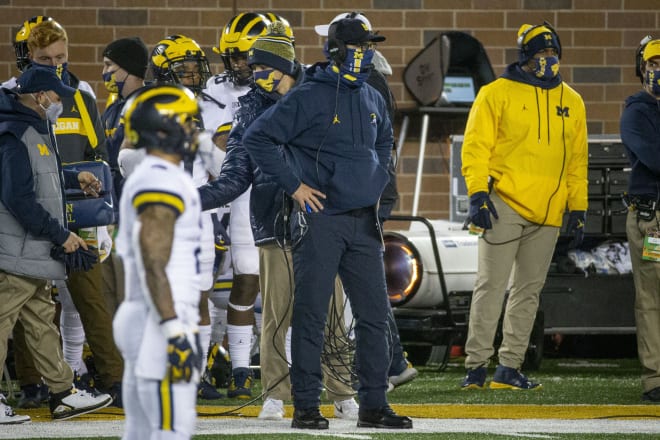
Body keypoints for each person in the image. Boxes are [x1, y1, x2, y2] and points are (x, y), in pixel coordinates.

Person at [242, 17, 412, 430]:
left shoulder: (371, 95)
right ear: (337, 50)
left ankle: (373, 404)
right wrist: (295, 185)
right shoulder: (307, 95)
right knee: (311, 314)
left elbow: (386, 139)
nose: (366, 52)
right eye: (359, 46)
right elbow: (257, 139)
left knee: (373, 316)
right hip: (320, 220)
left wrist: (376, 176)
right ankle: (304, 406)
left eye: (369, 46)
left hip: (362, 222)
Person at [198, 21, 359, 421]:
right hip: (273, 221)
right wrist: (187, 200)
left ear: (284, 66)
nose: (257, 77)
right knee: (277, 314)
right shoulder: (250, 106)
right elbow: (235, 175)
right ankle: (274, 392)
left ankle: (340, 390)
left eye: (263, 68)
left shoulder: (322, 95)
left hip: (322, 218)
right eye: (252, 69)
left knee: (331, 311)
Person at [460, 23, 588, 390]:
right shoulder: (495, 94)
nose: (548, 60)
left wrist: (577, 208)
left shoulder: (573, 101)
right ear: (525, 57)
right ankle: (476, 367)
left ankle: (509, 367)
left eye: (553, 54)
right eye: (540, 54)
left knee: (528, 291)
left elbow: (577, 161)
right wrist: (477, 194)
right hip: (503, 204)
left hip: (549, 211)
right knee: (490, 286)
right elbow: (476, 148)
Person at [7, 15, 123, 408]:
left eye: (60, 56)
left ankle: (87, 385)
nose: (54, 66)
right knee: (22, 310)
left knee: (72, 304)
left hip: (65, 221)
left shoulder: (73, 100)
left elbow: (91, 160)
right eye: (44, 58)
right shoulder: (13, 114)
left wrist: (96, 205)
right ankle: (33, 384)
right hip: (28, 229)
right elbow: (19, 189)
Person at [314, 11, 418, 393]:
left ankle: (386, 363)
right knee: (362, 280)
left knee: (362, 281)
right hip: (370, 187)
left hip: (365, 191)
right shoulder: (369, 77)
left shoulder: (366, 81)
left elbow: (370, 145)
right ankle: (392, 361)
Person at [112, 84, 203, 439]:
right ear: (163, 130)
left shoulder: (153, 173)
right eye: (187, 122)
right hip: (161, 319)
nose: (194, 130)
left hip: (146, 312)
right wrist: (173, 330)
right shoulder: (160, 179)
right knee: (171, 431)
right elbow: (153, 259)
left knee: (140, 432)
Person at [147, 33, 225, 400]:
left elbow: (215, 165)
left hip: (198, 214)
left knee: (201, 295)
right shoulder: (147, 107)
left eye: (196, 68)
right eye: (184, 69)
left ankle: (197, 371)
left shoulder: (202, 106)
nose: (193, 75)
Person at [204, 11, 275, 399]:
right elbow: (209, 147)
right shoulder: (211, 92)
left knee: (263, 283)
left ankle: (255, 366)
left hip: (264, 194)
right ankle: (223, 366)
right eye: (234, 55)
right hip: (225, 196)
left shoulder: (284, 87)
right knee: (219, 283)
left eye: (248, 55)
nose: (240, 64)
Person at [620, 37, 660, 403]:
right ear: (642, 68)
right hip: (654, 218)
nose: (658, 69)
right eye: (654, 62)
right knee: (651, 299)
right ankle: (655, 378)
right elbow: (655, 158)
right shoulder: (636, 111)